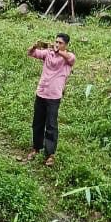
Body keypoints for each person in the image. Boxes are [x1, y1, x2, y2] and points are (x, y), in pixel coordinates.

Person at [24, 33, 76, 167]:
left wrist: (58, 52)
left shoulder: (68, 57)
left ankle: (50, 154)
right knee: (37, 123)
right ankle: (36, 148)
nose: (57, 44)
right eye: (56, 42)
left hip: (54, 96)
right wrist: (34, 46)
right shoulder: (48, 53)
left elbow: (70, 59)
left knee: (51, 125)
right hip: (41, 93)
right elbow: (31, 53)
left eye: (60, 43)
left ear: (66, 45)